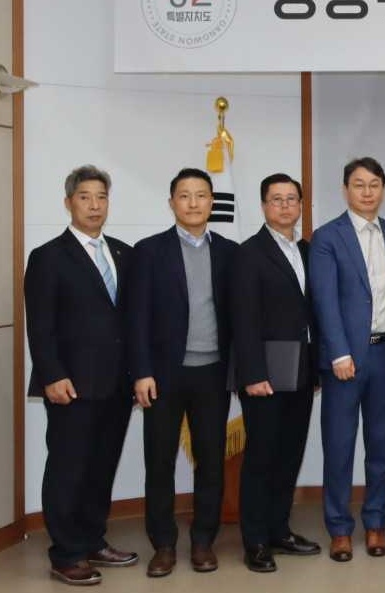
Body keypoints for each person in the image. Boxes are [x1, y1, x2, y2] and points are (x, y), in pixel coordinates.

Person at [25, 165, 137, 586]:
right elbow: (41, 326)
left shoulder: (123, 253)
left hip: (117, 384)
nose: (94, 205)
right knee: (68, 469)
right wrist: (52, 375)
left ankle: (92, 540)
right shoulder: (48, 256)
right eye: (85, 197)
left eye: (101, 197)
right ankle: (66, 553)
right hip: (70, 384)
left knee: (101, 467)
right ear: (68, 202)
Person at [127, 168, 238, 577]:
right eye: (185, 195)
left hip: (213, 373)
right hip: (162, 375)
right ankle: (163, 544)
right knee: (159, 462)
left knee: (210, 461)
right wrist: (141, 371)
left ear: (212, 202)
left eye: (201, 195)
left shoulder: (229, 252)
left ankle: (203, 540)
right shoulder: (148, 251)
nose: (193, 203)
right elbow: (135, 317)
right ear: (171, 202)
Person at [309, 157, 385, 562]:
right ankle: (339, 528)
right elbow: (324, 300)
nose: (367, 192)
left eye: (374, 185)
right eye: (358, 184)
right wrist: (338, 351)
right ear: (345, 189)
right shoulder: (327, 237)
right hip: (345, 359)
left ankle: (375, 522)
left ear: (383, 189)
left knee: (381, 446)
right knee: (339, 447)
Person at [231, 173, 320, 572]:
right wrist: (251, 373)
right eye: (277, 199)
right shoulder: (249, 254)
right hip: (264, 372)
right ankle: (255, 541)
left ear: (300, 205)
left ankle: (279, 530)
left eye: (291, 199)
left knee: (289, 454)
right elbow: (243, 318)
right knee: (261, 457)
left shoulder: (307, 250)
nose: (285, 206)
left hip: (301, 367)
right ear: (264, 206)